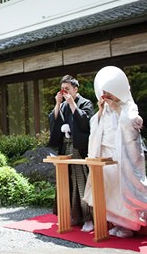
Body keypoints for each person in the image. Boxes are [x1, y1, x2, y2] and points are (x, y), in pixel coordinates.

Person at [83, 66, 147, 238]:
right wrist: (100, 111)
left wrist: (117, 108)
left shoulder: (128, 106)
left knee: (122, 190)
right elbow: (95, 127)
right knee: (109, 190)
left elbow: (134, 123)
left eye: (109, 91)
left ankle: (128, 226)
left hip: (122, 156)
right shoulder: (104, 108)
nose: (106, 95)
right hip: (105, 154)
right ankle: (115, 223)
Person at [48, 75, 94, 231]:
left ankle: (89, 218)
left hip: (79, 148)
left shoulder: (85, 103)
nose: (65, 92)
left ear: (76, 89)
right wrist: (58, 103)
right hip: (65, 147)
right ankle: (73, 215)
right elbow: (53, 122)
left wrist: (71, 103)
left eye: (67, 89)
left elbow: (85, 122)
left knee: (82, 182)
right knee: (67, 182)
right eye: (63, 89)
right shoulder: (62, 105)